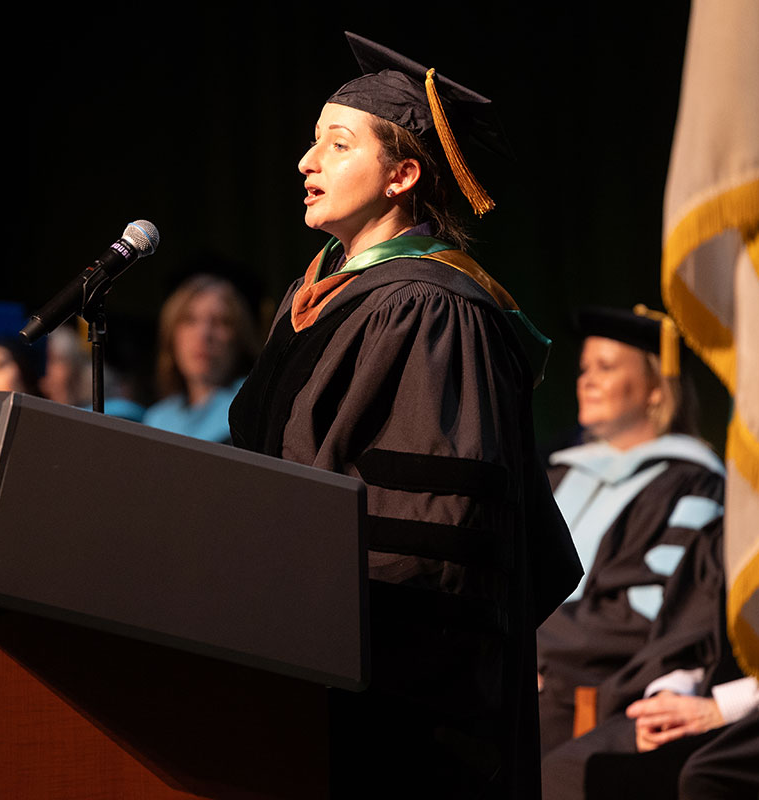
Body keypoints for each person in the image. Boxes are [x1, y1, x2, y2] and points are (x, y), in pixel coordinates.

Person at [227, 32, 580, 799]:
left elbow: (435, 535)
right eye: (310, 142)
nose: (305, 162)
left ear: (403, 175)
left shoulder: (433, 309)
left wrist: (325, 641)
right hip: (295, 652)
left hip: (393, 694)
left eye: (337, 143)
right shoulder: (313, 294)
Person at [536, 307, 742, 800]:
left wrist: (523, 645)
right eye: (584, 368)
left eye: (606, 368)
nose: (586, 380)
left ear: (655, 389)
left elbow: (644, 617)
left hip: (595, 690)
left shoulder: (693, 485)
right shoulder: (556, 474)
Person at [143, 275, 258, 443]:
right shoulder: (156, 420)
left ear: (239, 339)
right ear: (171, 336)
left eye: (220, 322)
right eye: (190, 320)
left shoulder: (255, 409)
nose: (204, 334)